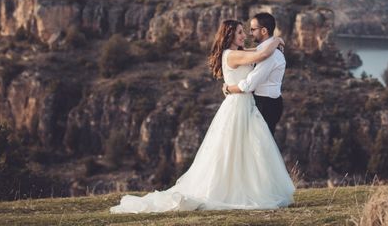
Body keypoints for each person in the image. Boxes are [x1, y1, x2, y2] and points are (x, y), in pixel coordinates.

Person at [109, 19, 295, 214]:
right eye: (240, 32)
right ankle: (232, 190)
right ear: (230, 35)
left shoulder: (238, 52)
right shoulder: (231, 55)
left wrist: (274, 41)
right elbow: (263, 53)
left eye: (244, 31)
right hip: (238, 106)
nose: (244, 35)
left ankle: (246, 187)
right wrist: (277, 40)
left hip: (246, 105)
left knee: (245, 149)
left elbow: (258, 52)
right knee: (232, 150)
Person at [223, 12, 286, 135]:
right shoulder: (264, 50)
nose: (250, 34)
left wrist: (228, 89)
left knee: (261, 147)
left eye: (252, 29)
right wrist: (277, 40)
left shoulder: (270, 55)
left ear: (263, 31)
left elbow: (249, 85)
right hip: (263, 102)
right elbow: (254, 52)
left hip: (266, 105)